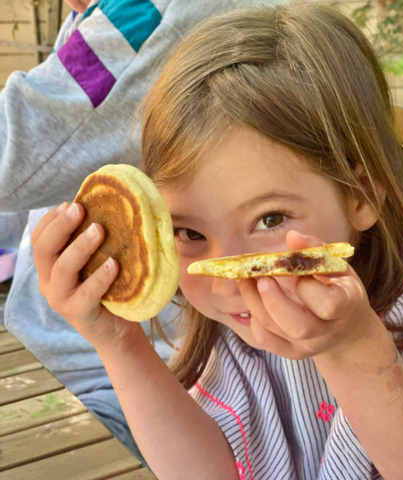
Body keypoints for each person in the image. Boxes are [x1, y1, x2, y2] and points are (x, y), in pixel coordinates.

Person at [30, 2, 403, 479]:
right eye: (190, 233)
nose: (229, 276)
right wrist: (119, 343)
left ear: (361, 195)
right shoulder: (230, 329)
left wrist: (353, 352)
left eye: (270, 218)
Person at [0, 0, 274, 464]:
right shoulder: (98, 15)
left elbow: (16, 150)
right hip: (81, 341)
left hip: (119, 382)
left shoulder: (139, 11)